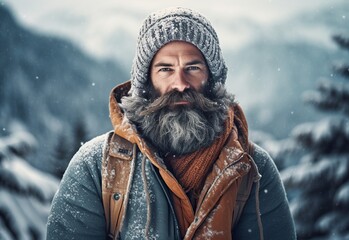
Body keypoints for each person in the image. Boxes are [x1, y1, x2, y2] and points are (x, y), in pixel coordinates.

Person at [46, 7, 296, 240]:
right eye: (165, 69)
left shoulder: (254, 170)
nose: (180, 83)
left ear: (212, 79)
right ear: (145, 83)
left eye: (193, 68)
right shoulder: (95, 168)